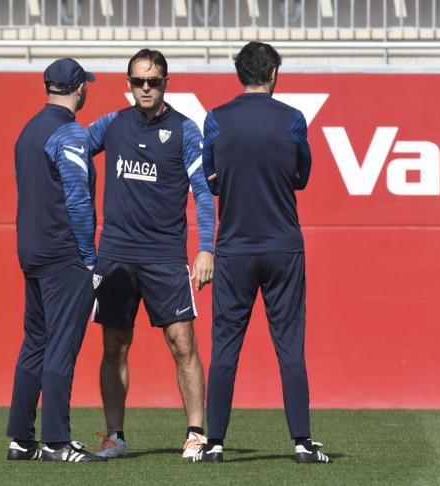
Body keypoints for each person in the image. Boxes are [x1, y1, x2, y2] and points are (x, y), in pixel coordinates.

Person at [194, 42, 331, 464]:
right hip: (283, 247)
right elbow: (302, 176)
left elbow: (211, 179)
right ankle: (303, 443)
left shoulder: (215, 119)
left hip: (234, 248)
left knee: (225, 349)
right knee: (289, 347)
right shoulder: (292, 119)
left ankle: (214, 442)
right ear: (272, 73)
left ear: (241, 74)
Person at [86, 49, 215, 459]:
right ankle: (114, 437)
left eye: (153, 81)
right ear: (128, 83)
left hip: (164, 256)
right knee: (114, 346)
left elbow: (204, 194)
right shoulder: (111, 124)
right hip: (117, 255)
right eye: (138, 81)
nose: (145, 88)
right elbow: (69, 153)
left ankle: (196, 434)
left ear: (166, 83)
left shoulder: (185, 130)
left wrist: (206, 247)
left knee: (183, 344)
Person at [5, 58, 105, 463]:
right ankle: (56, 442)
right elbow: (78, 200)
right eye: (87, 86)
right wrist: (89, 258)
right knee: (61, 347)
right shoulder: (70, 133)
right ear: (79, 88)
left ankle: (21, 439)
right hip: (64, 253)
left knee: (35, 344)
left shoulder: (28, 131)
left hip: (31, 251)